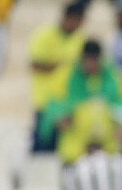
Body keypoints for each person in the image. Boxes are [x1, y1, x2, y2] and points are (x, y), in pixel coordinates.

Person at [41, 40, 122, 164]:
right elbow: (54, 102)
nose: (91, 64)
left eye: (94, 60)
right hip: (75, 144)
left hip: (109, 144)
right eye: (88, 59)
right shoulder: (67, 75)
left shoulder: (113, 75)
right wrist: (60, 117)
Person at [28, 1, 86, 152]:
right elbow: (35, 65)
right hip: (45, 102)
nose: (76, 24)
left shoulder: (80, 39)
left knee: (65, 151)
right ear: (66, 17)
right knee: (42, 150)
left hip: (68, 104)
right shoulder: (45, 34)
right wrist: (61, 65)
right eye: (75, 20)